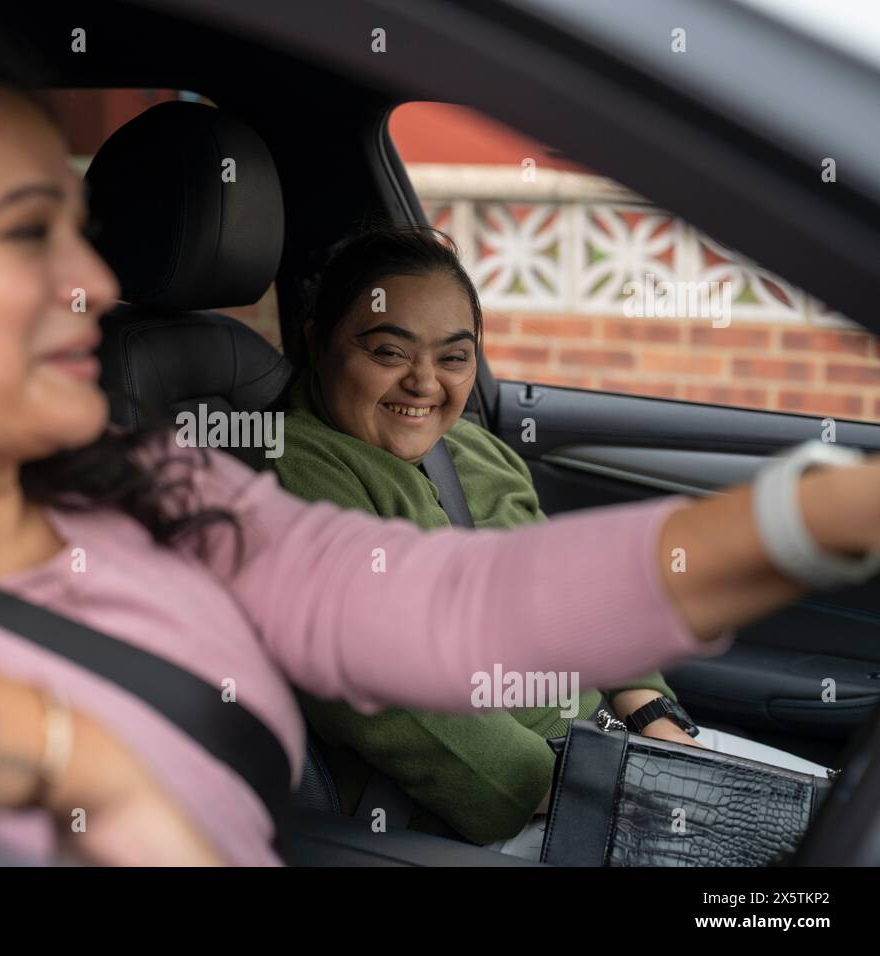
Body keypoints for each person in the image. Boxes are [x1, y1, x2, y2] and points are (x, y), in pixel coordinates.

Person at [0, 37, 871, 867]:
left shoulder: (164, 486)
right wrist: (66, 757)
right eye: (29, 235)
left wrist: (812, 520)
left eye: (84, 230)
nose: (95, 283)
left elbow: (461, 602)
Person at [268, 225, 828, 858]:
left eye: (453, 357)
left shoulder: (474, 451)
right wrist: (592, 790)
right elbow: (383, 688)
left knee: (843, 827)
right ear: (317, 341)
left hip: (608, 753)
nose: (424, 382)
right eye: (388, 352)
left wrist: (650, 717)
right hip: (479, 815)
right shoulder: (292, 471)